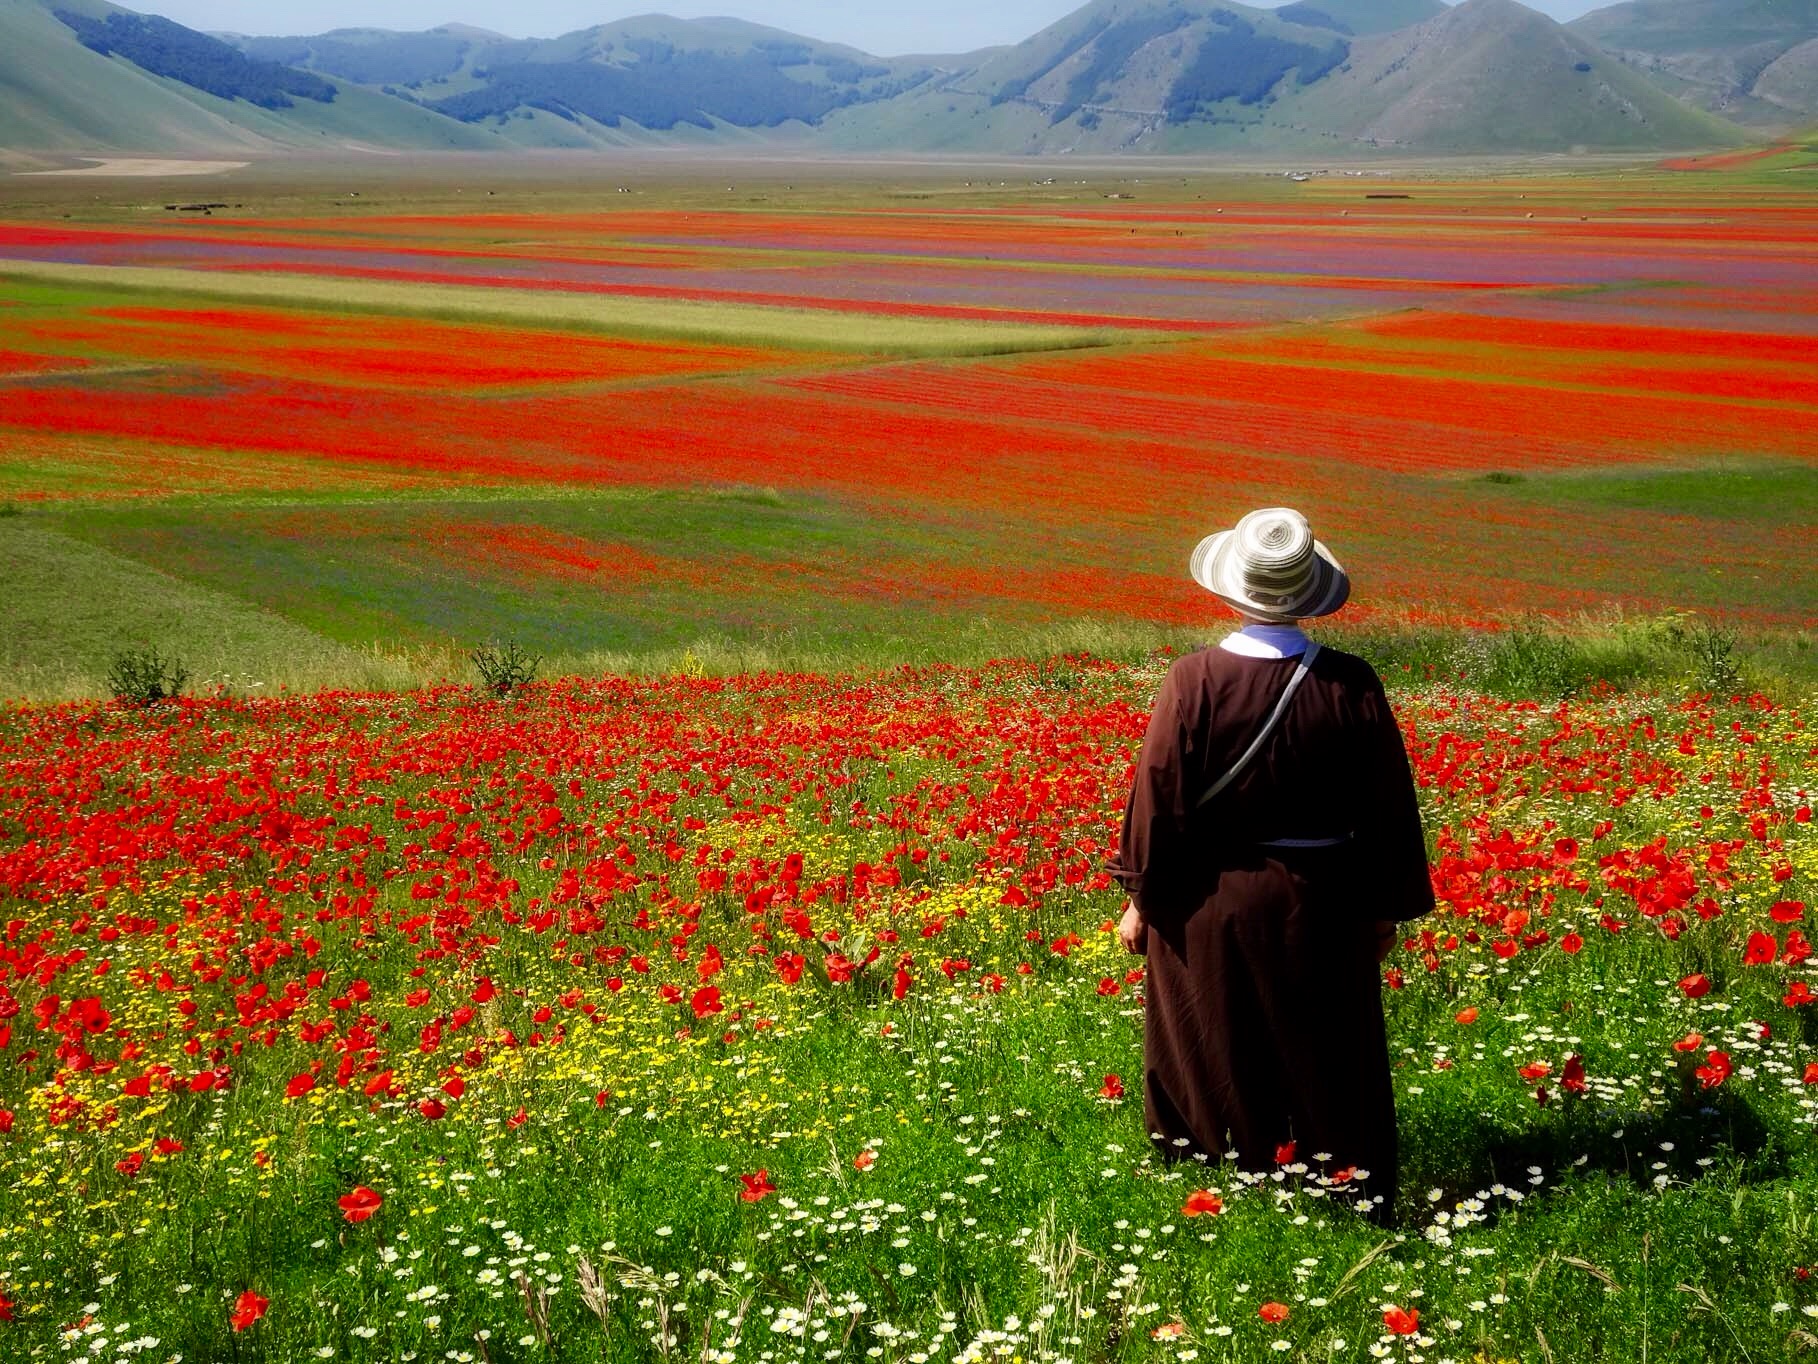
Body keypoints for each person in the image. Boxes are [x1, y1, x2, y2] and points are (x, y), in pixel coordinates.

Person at [1105, 506, 1433, 1224]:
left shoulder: (1193, 681)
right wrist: (1383, 907)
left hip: (1206, 901)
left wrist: (1141, 898)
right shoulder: (1351, 683)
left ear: (1230, 588)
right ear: (1309, 589)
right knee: (1328, 1049)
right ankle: (1341, 1190)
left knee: (1210, 1040)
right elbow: (1386, 807)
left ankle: (1220, 1189)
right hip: (1326, 901)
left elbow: (1158, 802)